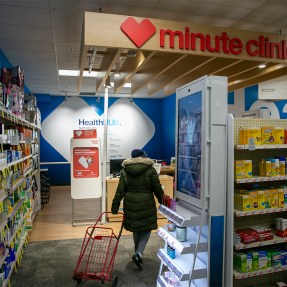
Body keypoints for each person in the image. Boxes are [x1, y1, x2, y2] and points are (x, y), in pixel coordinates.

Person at [111, 148, 164, 269]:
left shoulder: (124, 171)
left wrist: (115, 205)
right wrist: (163, 202)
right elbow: (157, 189)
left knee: (136, 228)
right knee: (146, 229)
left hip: (130, 204)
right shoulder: (150, 170)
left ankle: (137, 254)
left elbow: (120, 190)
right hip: (146, 204)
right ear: (142, 156)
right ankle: (138, 254)